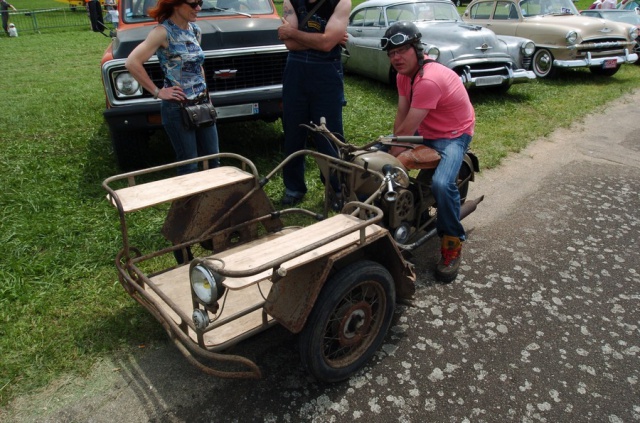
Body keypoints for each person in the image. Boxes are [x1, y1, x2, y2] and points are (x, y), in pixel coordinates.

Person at [382, 21, 475, 283]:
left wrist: (393, 154)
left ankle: (452, 244)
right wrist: (391, 147)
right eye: (391, 54)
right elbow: (402, 115)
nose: (396, 58)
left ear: (417, 49)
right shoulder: (404, 76)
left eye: (401, 51)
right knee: (371, 160)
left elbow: (409, 125)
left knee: (443, 184)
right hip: (426, 130)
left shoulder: (428, 80)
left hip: (453, 135)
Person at [125, 0, 219, 176]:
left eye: (200, 2)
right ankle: (189, 203)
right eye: (193, 3)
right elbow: (132, 62)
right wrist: (157, 91)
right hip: (178, 108)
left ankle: (214, 202)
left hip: (202, 104)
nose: (198, 8)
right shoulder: (162, 32)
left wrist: (206, 94)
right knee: (189, 165)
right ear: (176, 4)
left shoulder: (194, 30)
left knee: (214, 160)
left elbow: (198, 65)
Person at [277, 0, 351, 206]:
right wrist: (326, 39)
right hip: (296, 72)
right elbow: (290, 44)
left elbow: (326, 43)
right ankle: (293, 188)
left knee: (330, 135)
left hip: (326, 73)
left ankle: (336, 190)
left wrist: (294, 33)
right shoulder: (290, 1)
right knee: (293, 131)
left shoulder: (341, 2)